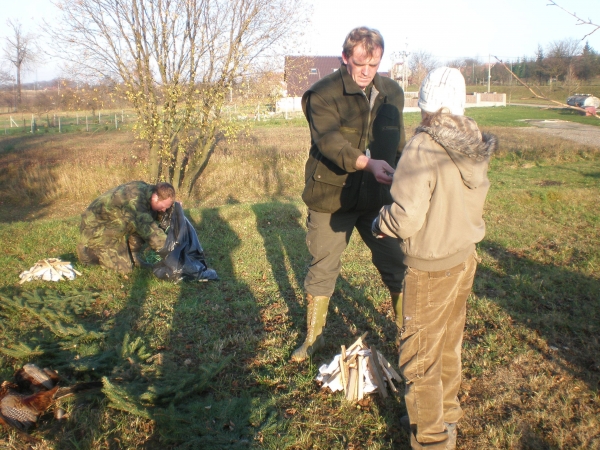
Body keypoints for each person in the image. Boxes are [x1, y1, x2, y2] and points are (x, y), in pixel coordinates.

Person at [372, 67, 497, 450]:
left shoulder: (423, 146)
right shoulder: (472, 138)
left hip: (430, 269)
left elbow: (406, 219)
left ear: (424, 103)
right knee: (446, 346)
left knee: (420, 359)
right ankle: (446, 418)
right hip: (464, 259)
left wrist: (381, 221)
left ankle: (431, 440)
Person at [291, 26, 407, 362]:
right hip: (331, 198)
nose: (367, 72)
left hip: (378, 199)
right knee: (323, 268)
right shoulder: (322, 93)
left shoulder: (392, 93)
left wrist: (404, 182)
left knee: (397, 264)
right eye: (360, 64)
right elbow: (329, 142)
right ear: (345, 57)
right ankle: (313, 339)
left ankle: (408, 334)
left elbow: (397, 144)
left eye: (374, 65)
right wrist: (367, 164)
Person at [77, 181, 175, 274]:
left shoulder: (146, 191)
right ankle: (89, 252)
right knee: (124, 269)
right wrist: (173, 252)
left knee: (147, 217)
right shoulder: (135, 201)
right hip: (95, 228)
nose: (164, 210)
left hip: (112, 225)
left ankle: (133, 256)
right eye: (164, 207)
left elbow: (151, 218)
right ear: (155, 197)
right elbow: (151, 232)